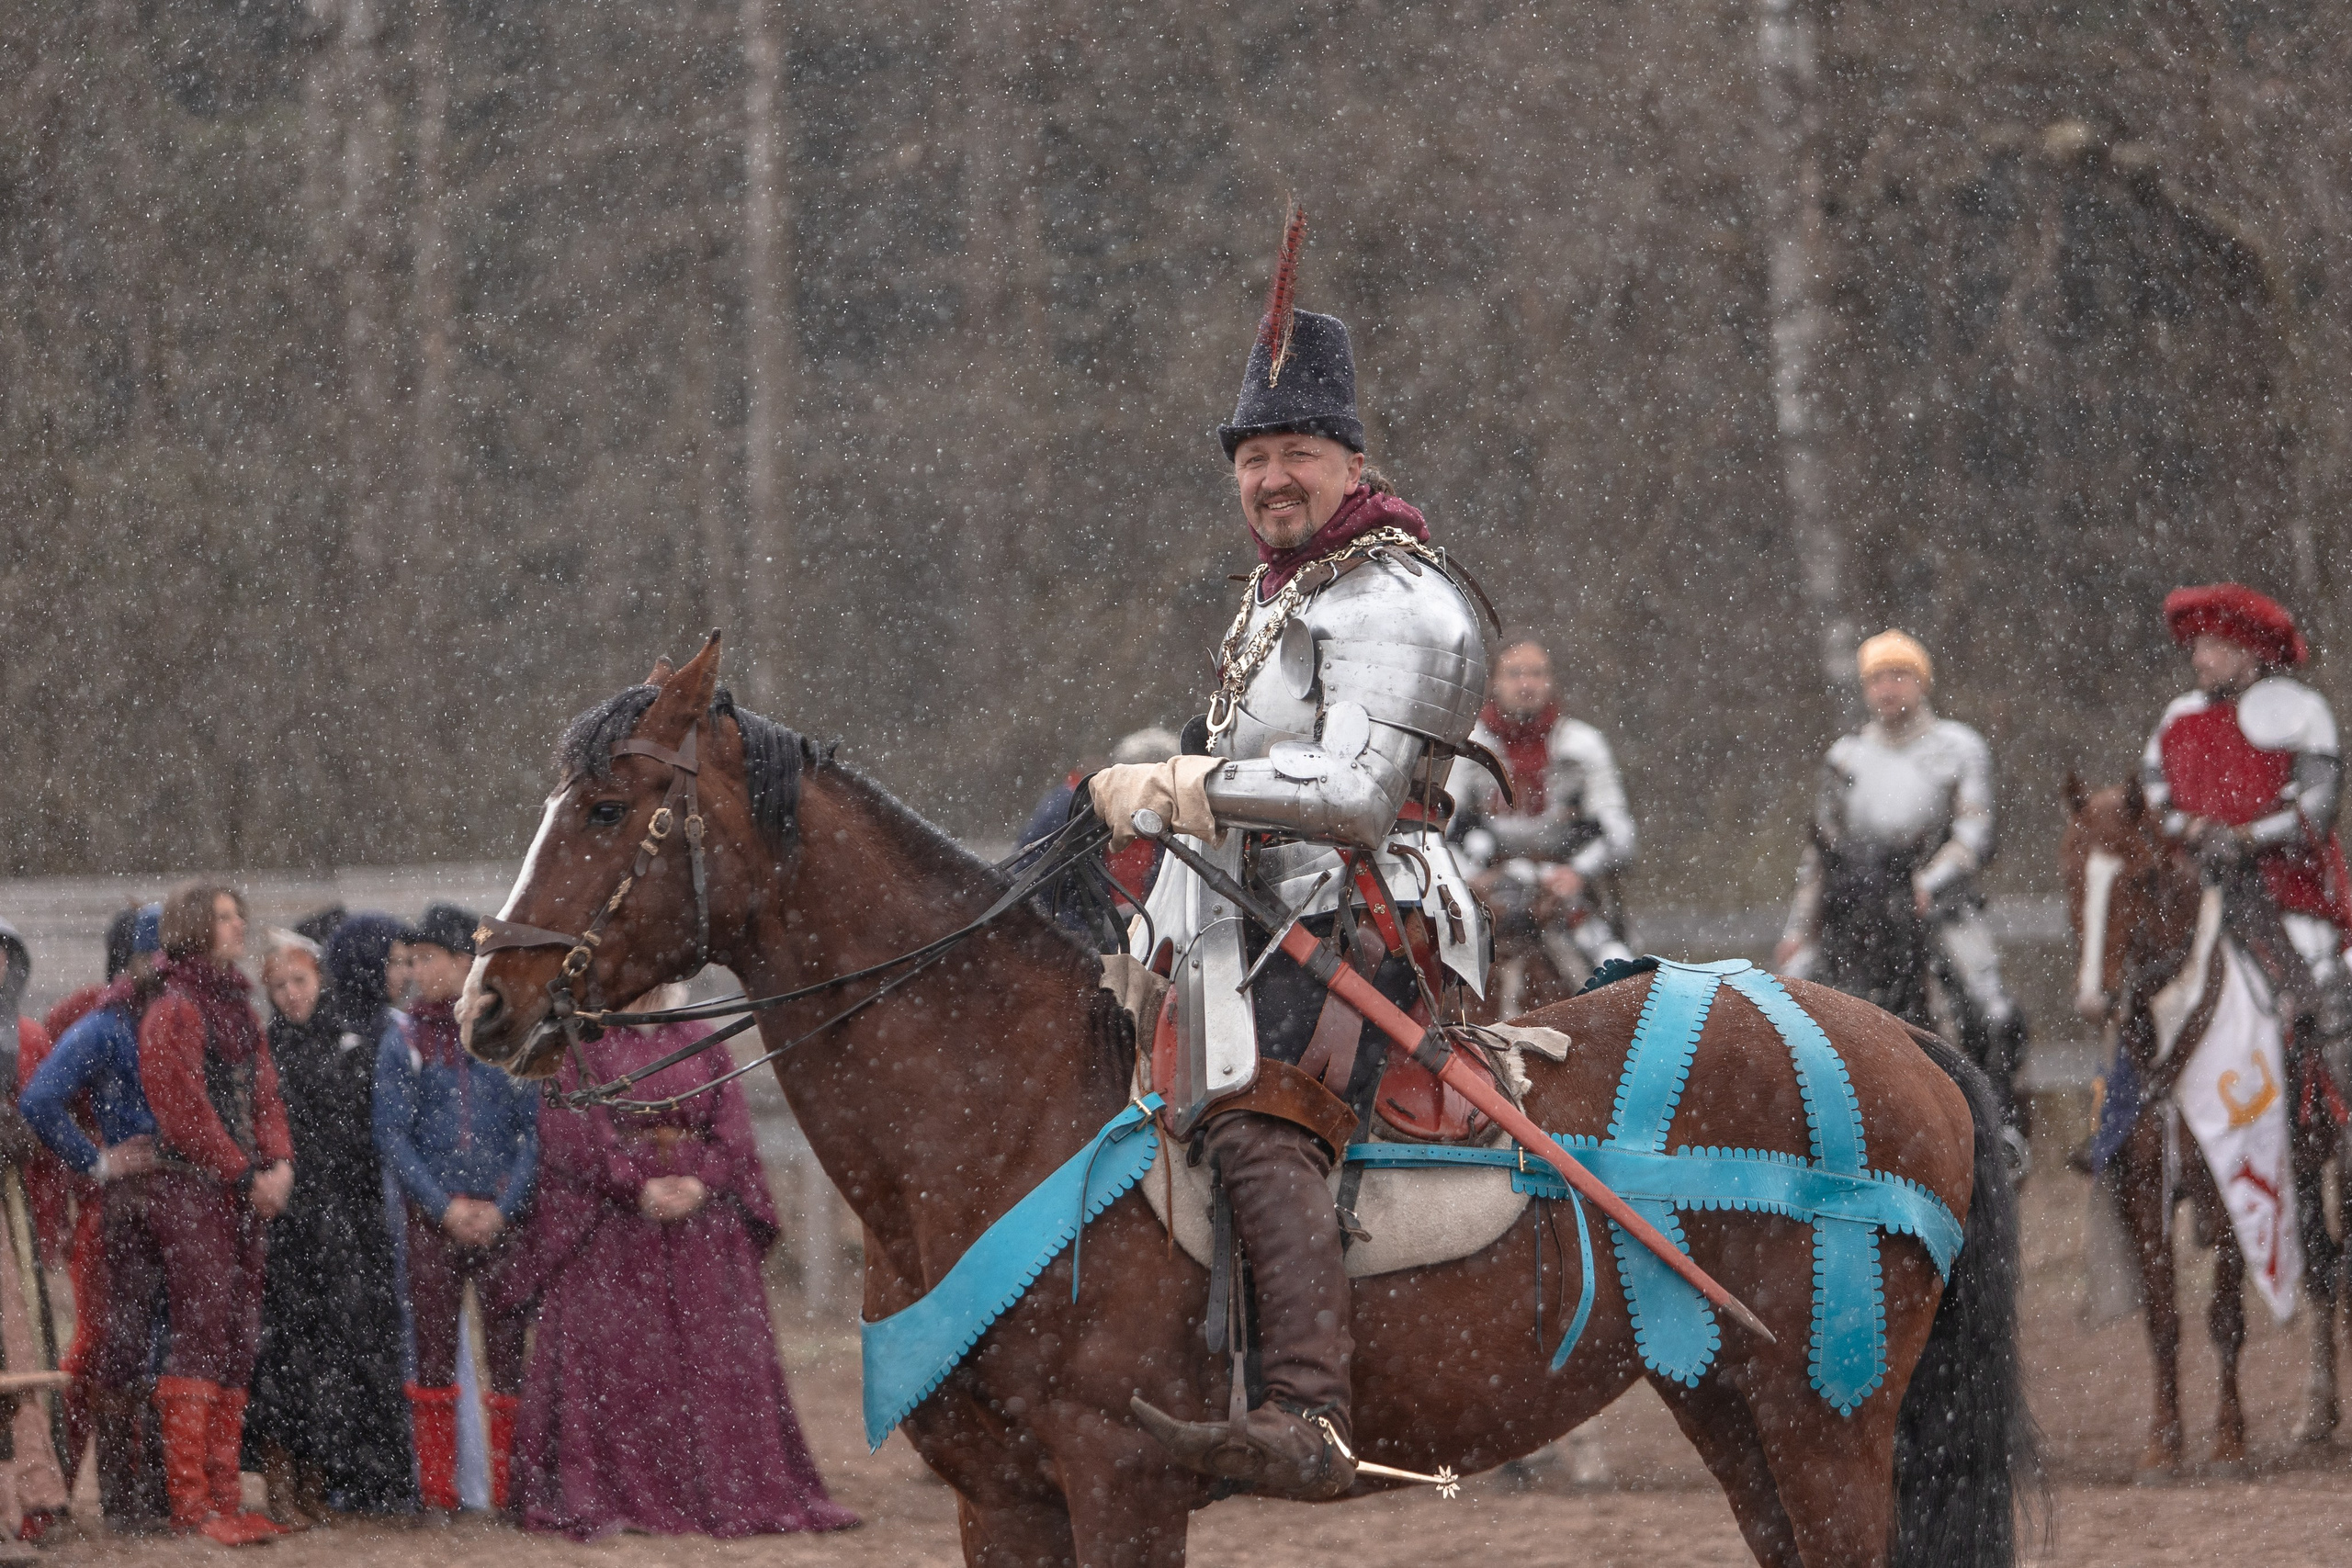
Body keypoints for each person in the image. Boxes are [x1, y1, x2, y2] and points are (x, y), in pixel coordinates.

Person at [1091, 231, 1490, 1497]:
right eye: (1253, 457)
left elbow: (1361, 794)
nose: (1271, 477)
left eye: (1296, 453)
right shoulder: (1278, 594)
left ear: (1352, 461)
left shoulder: (1396, 598)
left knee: (1263, 1110)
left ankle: (1305, 1409)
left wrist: (1185, 782)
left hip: (1366, 919)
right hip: (1251, 916)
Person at [497, 987, 858, 1540]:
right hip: (613, 1235)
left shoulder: (704, 1041)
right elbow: (573, 1132)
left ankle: (721, 1489)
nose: (650, 987)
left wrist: (699, 1181)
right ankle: (619, 1493)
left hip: (703, 1232)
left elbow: (732, 1129)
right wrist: (632, 1185)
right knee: (621, 1362)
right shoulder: (583, 1046)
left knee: (713, 1361)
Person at [2139, 582, 2349, 1439]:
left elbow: (2319, 807)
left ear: (2252, 650)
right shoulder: (2177, 719)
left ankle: (2335, 1115)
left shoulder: (2299, 711)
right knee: (2142, 1011)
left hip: (2293, 899)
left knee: (2330, 1003)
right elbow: (2153, 797)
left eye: (2214, 646)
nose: (2201, 660)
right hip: (2203, 903)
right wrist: (2193, 832)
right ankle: (2139, 1140)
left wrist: (2250, 837)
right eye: (2194, 647)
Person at [1774, 631, 2031, 1162]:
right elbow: (1819, 851)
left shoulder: (1958, 748)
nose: (1886, 688)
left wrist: (1925, 884)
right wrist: (1800, 929)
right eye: (1875, 679)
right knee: (1785, 1004)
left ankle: (2003, 1129)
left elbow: (1973, 835)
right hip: (1855, 912)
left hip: (1935, 908)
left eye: (1898, 676)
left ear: (1920, 682)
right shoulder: (1846, 758)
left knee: (1990, 1009)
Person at [137, 881, 293, 1547]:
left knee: (238, 1333)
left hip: (242, 1190)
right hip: (192, 1190)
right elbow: (184, 1111)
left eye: (239, 915)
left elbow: (265, 1097)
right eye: (225, 917)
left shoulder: (241, 1009)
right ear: (196, 927)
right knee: (201, 1331)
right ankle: (192, 1502)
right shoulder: (173, 1007)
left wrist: (280, 1163)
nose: (238, 926)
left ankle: (226, 1493)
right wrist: (245, 1171)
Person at [243, 920, 413, 1522]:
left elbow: (369, 1132)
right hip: (288, 1221)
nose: (292, 993)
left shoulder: (350, 1041)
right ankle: (281, 1481)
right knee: (284, 1352)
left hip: (346, 1217)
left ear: (319, 978)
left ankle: (322, 1478)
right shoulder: (263, 1050)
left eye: (300, 979)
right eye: (280, 984)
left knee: (339, 1349)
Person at [373, 903, 538, 1514]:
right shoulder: (406, 1039)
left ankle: (510, 1491)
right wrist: (443, 1207)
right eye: (410, 959)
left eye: (425, 958)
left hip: (502, 1220)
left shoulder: (509, 1034)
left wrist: (504, 1204)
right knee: (433, 1350)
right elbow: (392, 1134)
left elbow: (534, 1132)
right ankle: (439, 1493)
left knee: (507, 1354)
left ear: (464, 961)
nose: (415, 969)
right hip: (431, 1222)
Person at [19, 905, 166, 1529]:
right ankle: (71, 1481)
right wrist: (97, 1160)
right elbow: (42, 1096)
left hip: (170, 1207)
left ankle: (152, 1492)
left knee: (150, 1348)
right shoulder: (101, 1020)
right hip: (113, 1209)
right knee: (98, 1345)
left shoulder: (174, 1017)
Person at [1453, 637, 1638, 997]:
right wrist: (1472, 882)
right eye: (1515, 673)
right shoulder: (1466, 745)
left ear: (1550, 681)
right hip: (1485, 895)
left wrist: (1576, 874)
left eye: (1537, 674)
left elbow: (1620, 835)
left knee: (1618, 977)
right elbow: (1437, 833)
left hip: (1563, 897)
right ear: (1494, 681)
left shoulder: (1584, 745)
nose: (1527, 684)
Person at [0, 922, 72, 1544]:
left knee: (18, 1346)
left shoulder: (19, 1036)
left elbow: (39, 1134)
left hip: (8, 1208)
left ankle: (35, 1491)